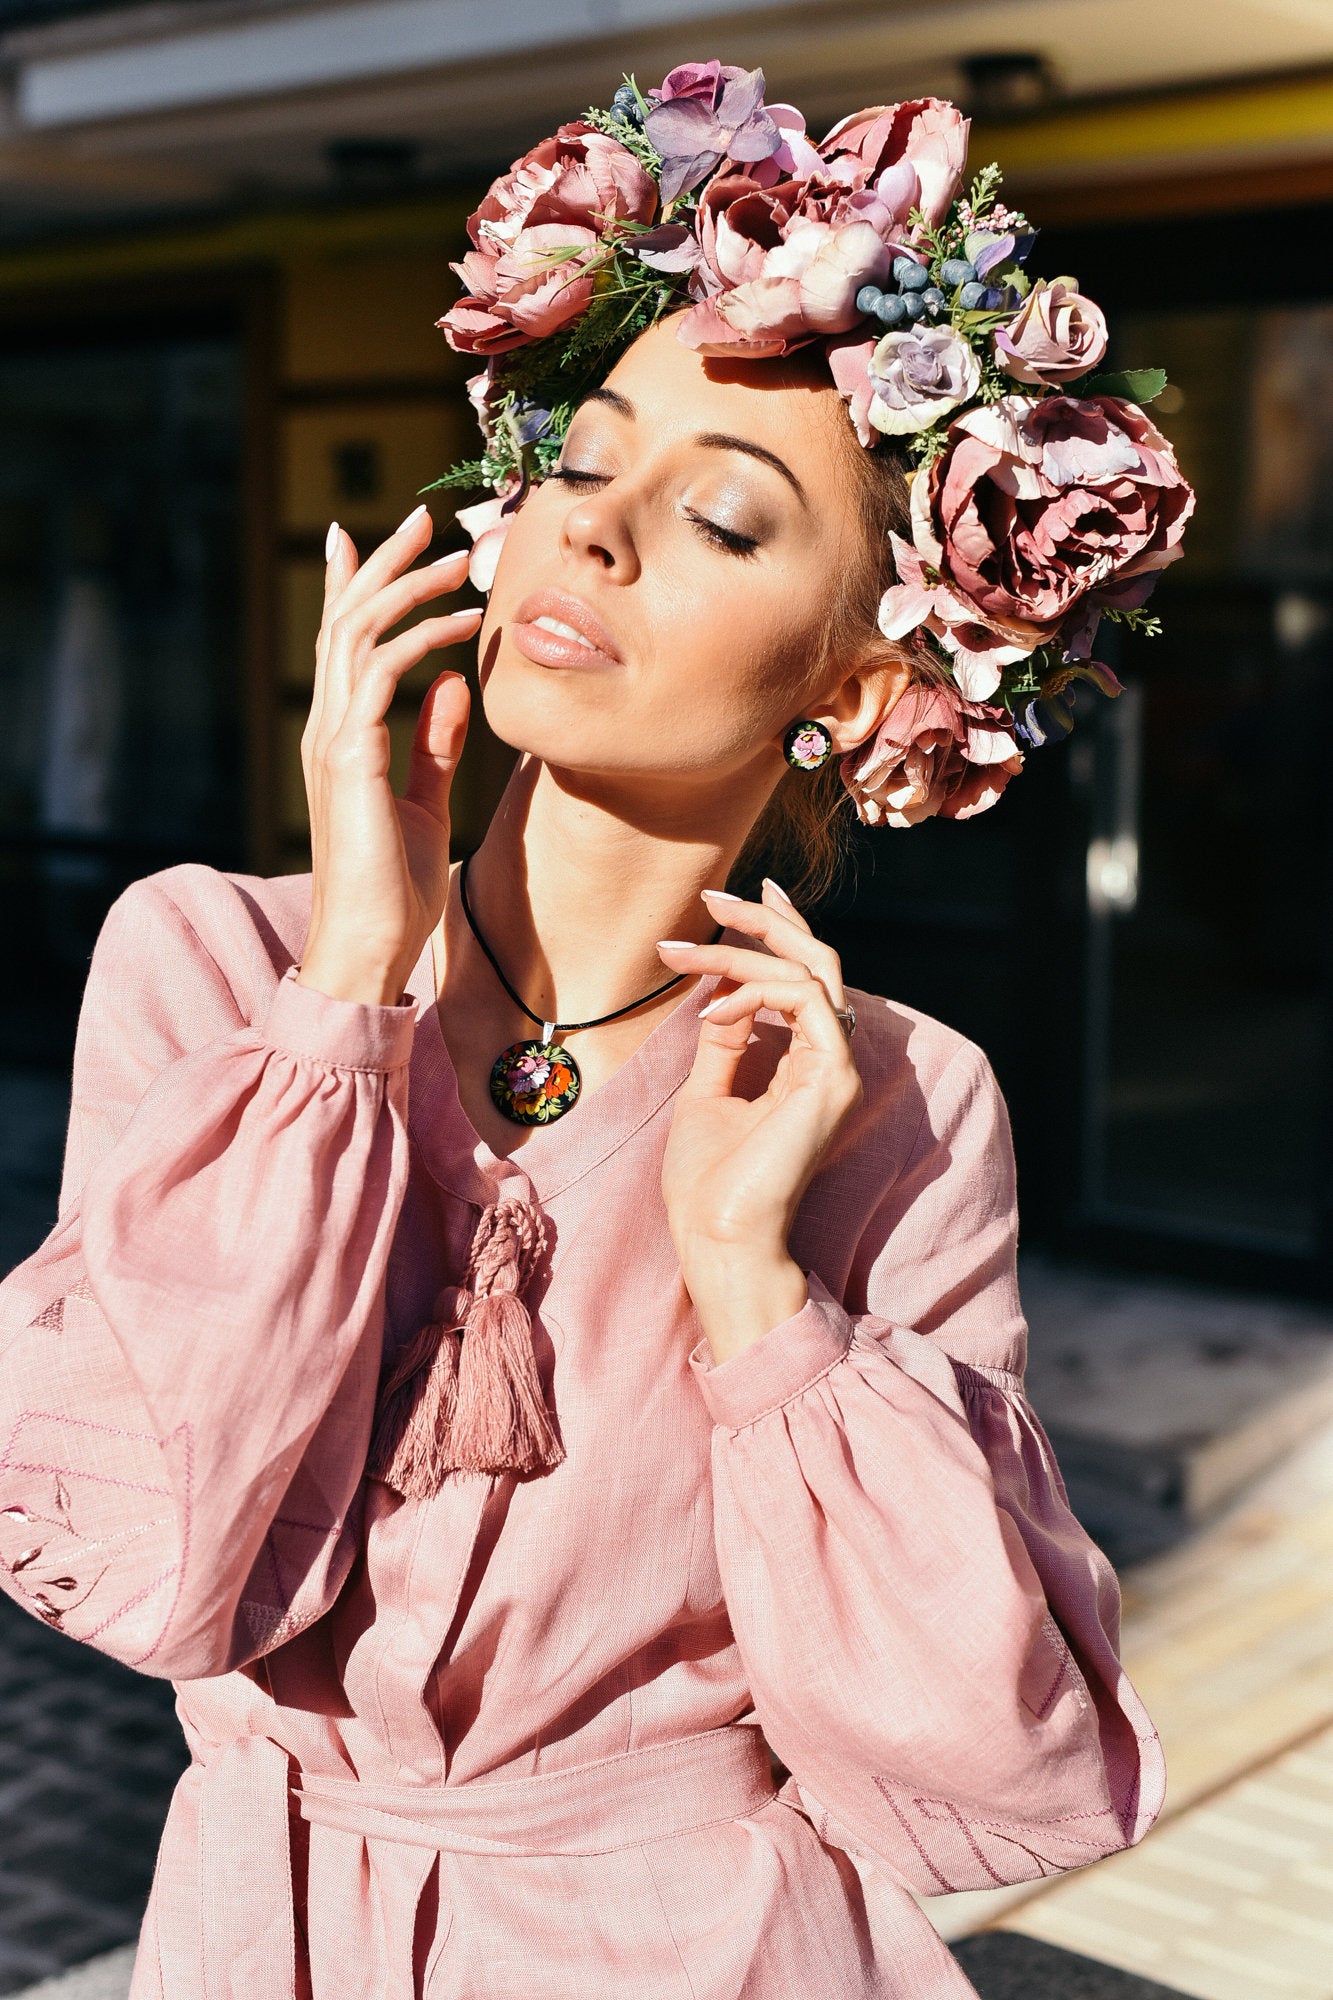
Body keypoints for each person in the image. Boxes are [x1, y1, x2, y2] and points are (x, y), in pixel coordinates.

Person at [0, 68, 1190, 2000]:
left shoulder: (893, 1100)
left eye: (721, 520)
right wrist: (346, 1001)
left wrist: (753, 1296)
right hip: (256, 1932)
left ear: (863, 673)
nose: (596, 538)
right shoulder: (212, 965)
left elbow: (974, 1756)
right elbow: (147, 1563)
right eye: (578, 466)